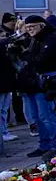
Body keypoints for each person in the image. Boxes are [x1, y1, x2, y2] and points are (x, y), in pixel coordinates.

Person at [14, 15, 56, 158]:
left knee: (47, 116)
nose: (30, 30)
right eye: (28, 27)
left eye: (33, 27)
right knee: (37, 117)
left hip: (45, 81)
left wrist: (24, 53)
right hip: (32, 82)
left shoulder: (51, 38)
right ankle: (45, 145)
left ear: (41, 25)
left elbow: (41, 60)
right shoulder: (34, 39)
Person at [0, 13, 17, 148]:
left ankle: (4, 131)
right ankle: (3, 132)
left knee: (4, 108)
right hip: (2, 82)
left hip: (6, 81)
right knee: (1, 109)